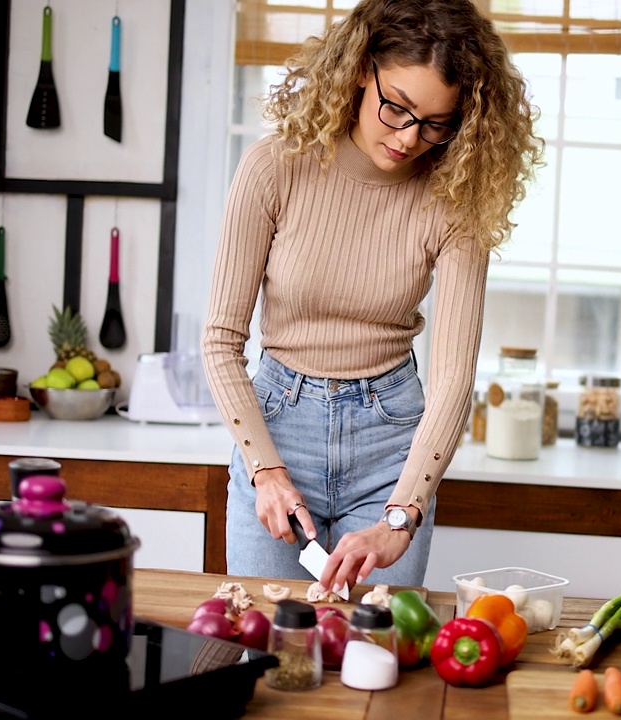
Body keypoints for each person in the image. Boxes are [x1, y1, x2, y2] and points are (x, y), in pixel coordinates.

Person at [202, 0, 544, 594]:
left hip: (393, 446)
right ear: (362, 68)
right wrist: (266, 471)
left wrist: (402, 513)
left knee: (377, 661)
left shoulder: (454, 201)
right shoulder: (273, 168)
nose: (411, 138)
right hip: (278, 428)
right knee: (271, 651)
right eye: (399, 108)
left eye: (437, 123)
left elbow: (454, 381)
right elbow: (220, 341)